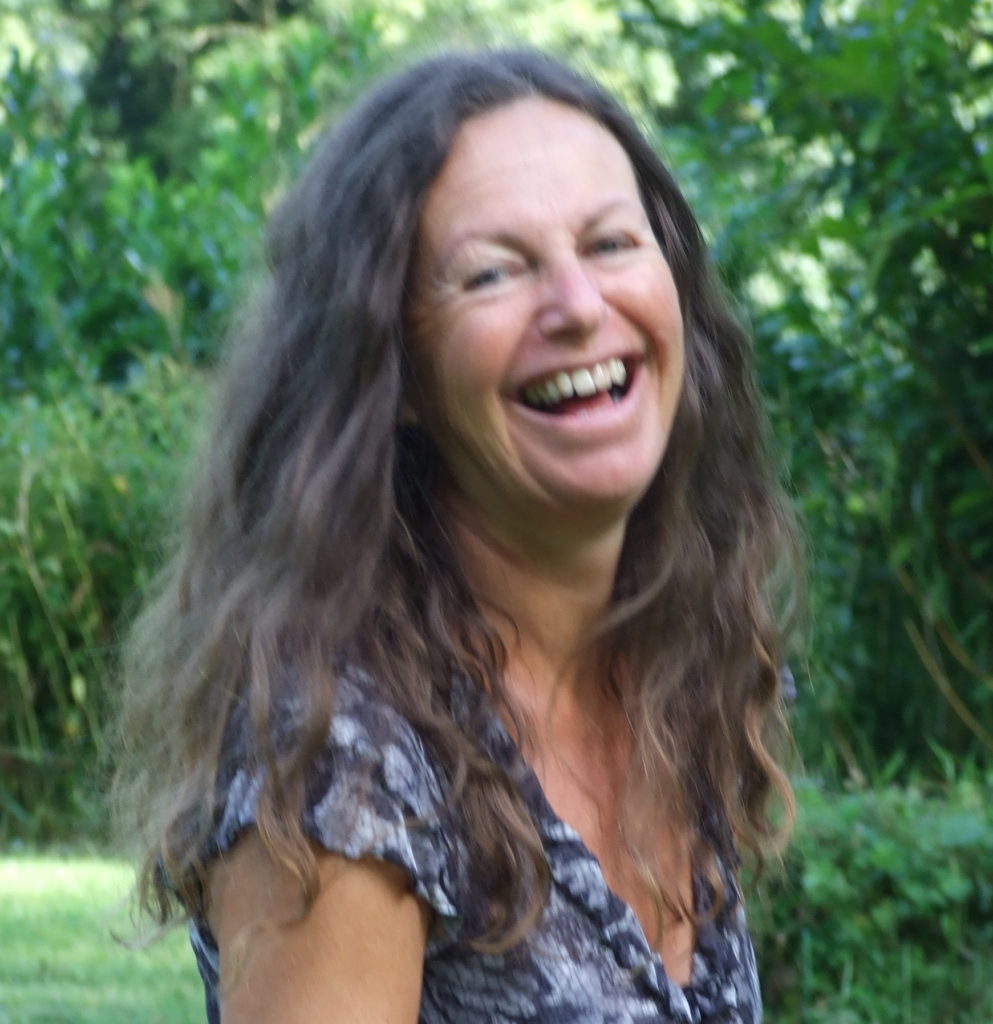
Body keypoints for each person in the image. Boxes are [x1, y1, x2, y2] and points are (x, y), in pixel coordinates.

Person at [114, 48, 801, 1024]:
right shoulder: (347, 762)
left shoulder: (673, 665)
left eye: (610, 244)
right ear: (392, 375)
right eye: (492, 272)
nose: (579, 307)